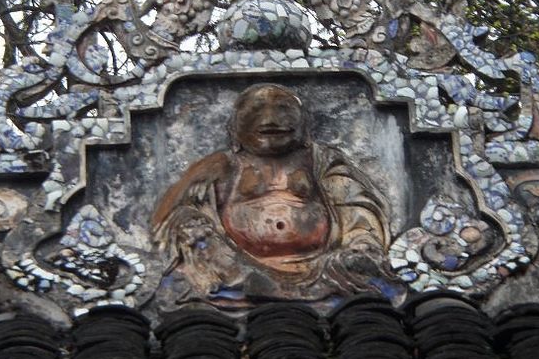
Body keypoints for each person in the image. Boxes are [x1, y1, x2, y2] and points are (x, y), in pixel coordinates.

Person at [151, 83, 393, 304]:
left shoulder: (321, 159)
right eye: (256, 109)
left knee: (365, 282)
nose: (270, 118)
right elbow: (168, 214)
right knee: (193, 256)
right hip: (235, 267)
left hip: (321, 267)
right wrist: (192, 212)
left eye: (283, 108)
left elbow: (355, 205)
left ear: (304, 125)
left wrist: (360, 244)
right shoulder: (222, 164)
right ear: (235, 126)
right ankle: (243, 279)